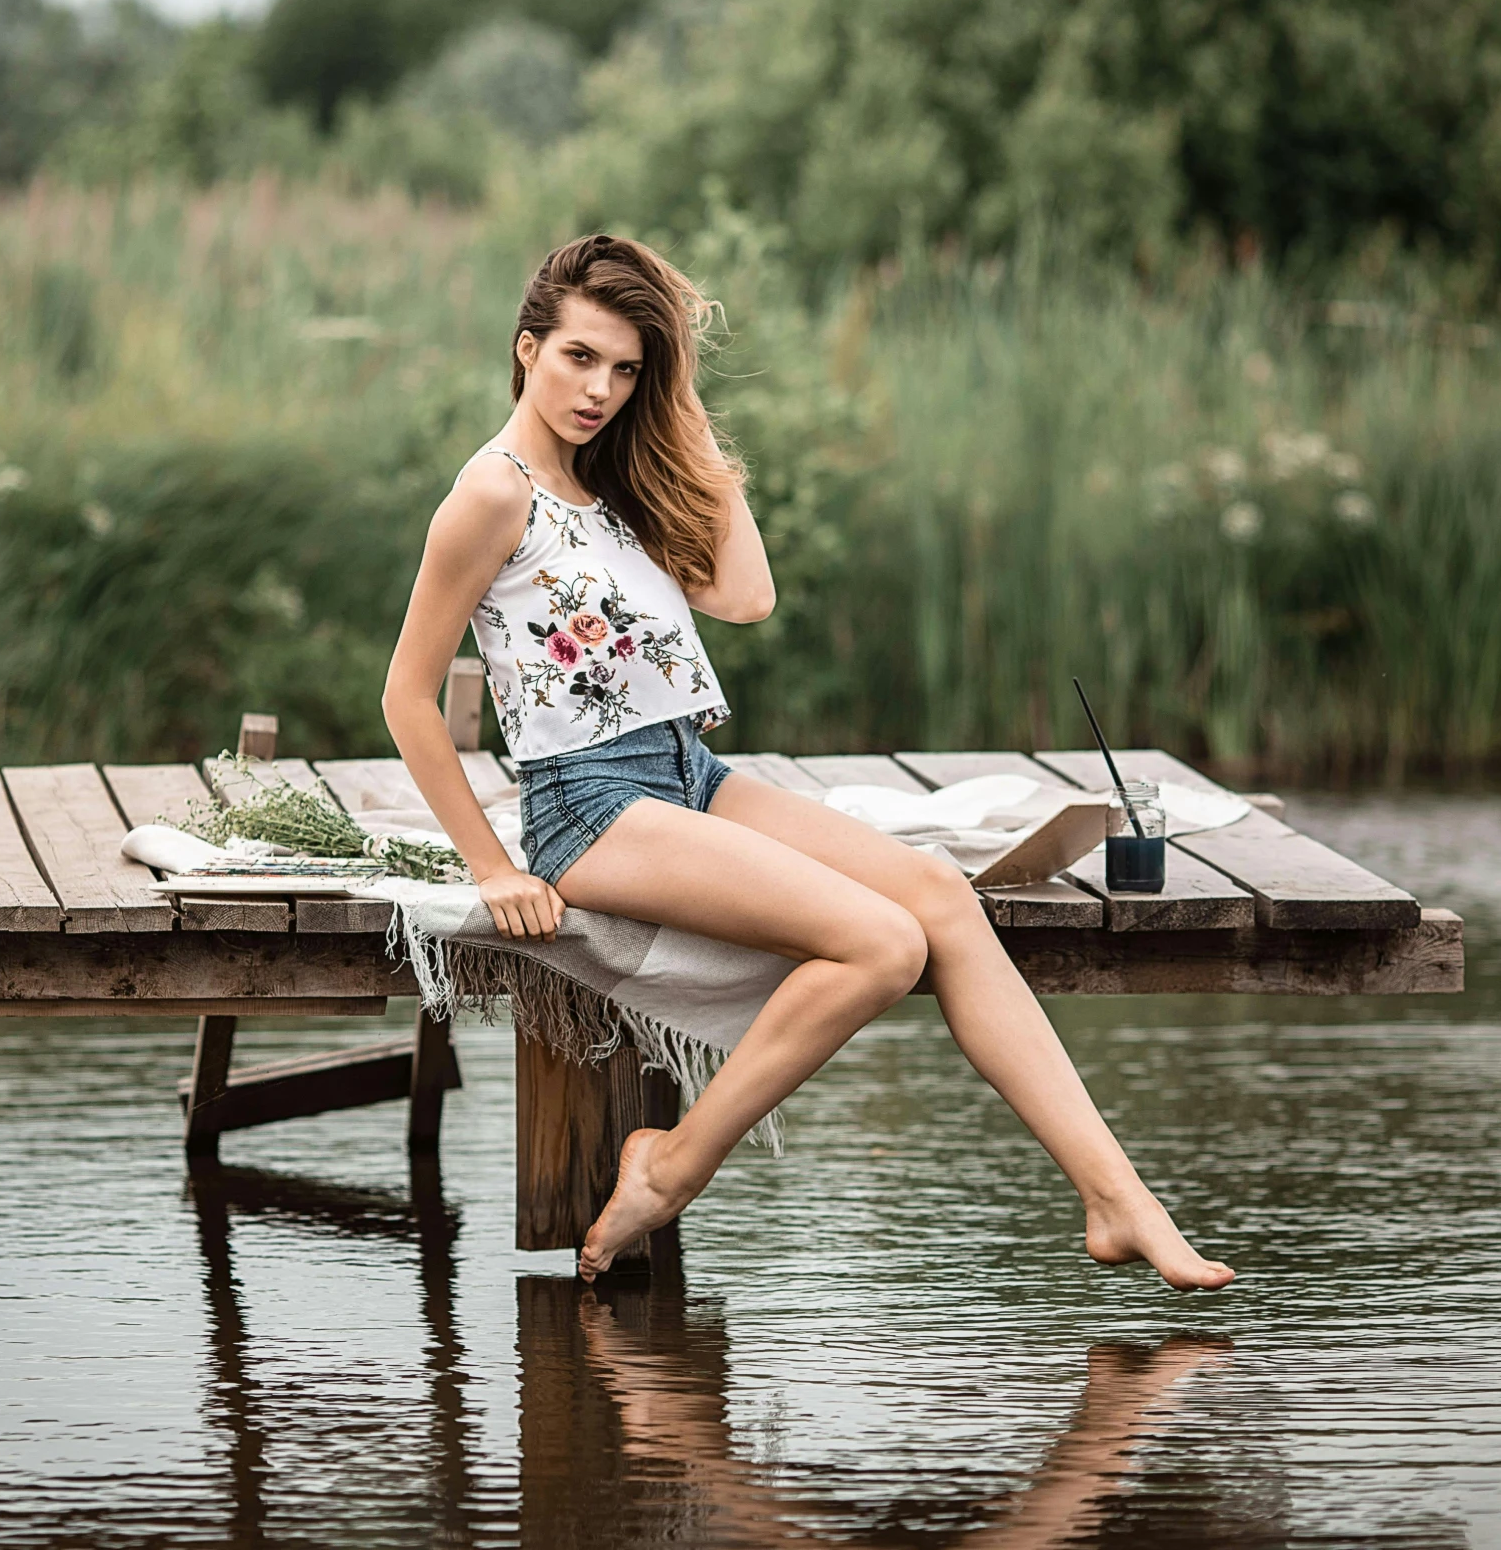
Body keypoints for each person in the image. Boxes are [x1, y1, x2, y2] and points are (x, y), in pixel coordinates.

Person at [383, 234, 1234, 1291]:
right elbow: (406, 694)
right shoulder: (492, 493)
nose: (600, 389)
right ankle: (672, 1164)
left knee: (936, 893)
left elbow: (746, 595)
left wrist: (682, 417)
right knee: (879, 945)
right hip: (587, 808)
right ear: (526, 350)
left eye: (626, 368)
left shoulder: (612, 491)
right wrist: (491, 867)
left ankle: (1115, 1197)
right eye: (578, 358)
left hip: (686, 774)